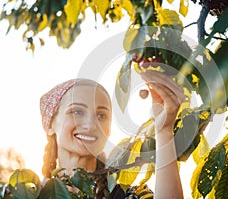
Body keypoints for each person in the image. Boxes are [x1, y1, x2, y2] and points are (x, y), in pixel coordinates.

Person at [40, 70, 184, 198]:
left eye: (101, 115)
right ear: (51, 124)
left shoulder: (127, 195)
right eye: (77, 112)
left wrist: (164, 130)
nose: (91, 124)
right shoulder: (29, 193)